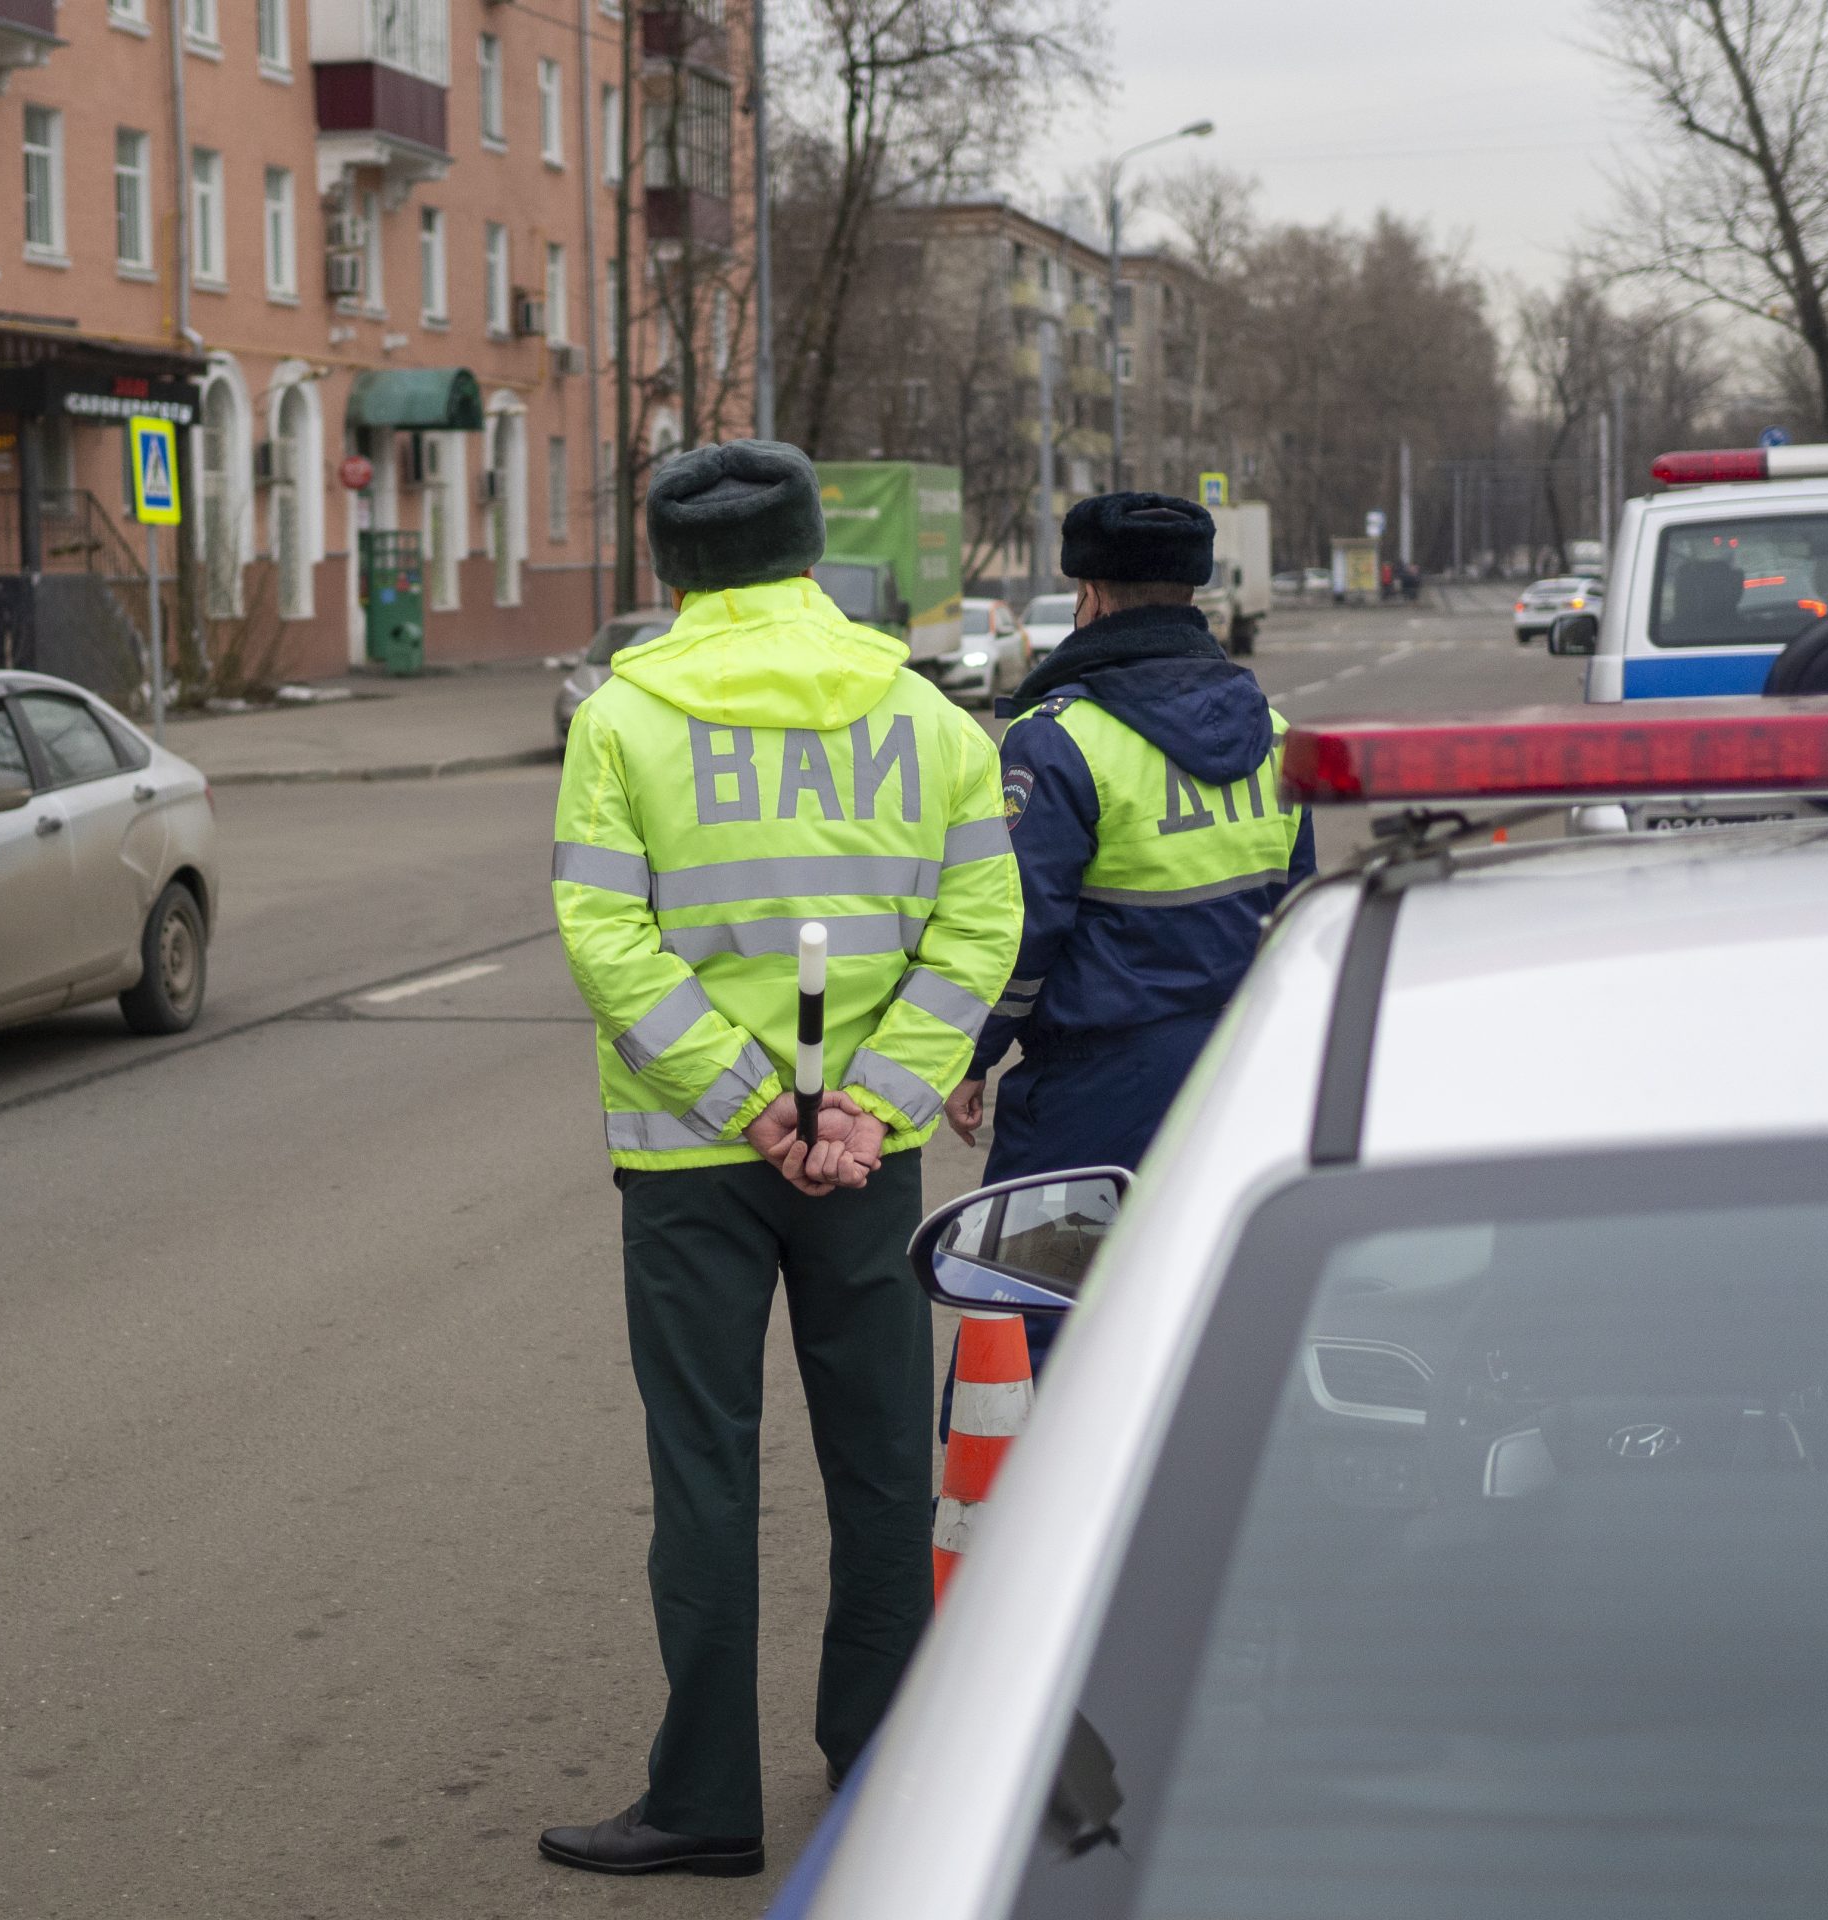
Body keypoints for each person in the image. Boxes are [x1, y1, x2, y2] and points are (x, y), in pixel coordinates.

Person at [540, 440, 1023, 1878]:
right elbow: (979, 927)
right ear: (814, 552)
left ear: (667, 569)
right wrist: (870, 1104)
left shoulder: (622, 720)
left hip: (690, 1155)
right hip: (862, 1162)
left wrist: (746, 1101)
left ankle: (703, 1802)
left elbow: (604, 936)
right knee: (879, 1465)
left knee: (705, 1472)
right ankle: (880, 1766)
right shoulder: (928, 717)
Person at [946, 492, 1315, 1296]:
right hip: (1237, 1078)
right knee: (1206, 1313)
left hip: (1092, 1100)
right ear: (1191, 594)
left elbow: (1023, 933)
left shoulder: (1058, 738)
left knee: (1034, 1326)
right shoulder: (1279, 737)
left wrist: (969, 1058)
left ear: (1093, 596)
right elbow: (1305, 923)